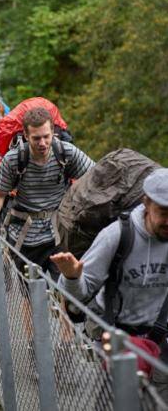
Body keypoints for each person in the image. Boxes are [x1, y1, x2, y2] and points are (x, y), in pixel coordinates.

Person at [51, 168, 168, 401]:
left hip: (161, 343)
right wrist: (72, 277)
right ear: (146, 203)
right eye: (164, 213)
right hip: (116, 340)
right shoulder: (117, 236)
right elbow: (77, 300)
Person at [0, 107, 95, 280]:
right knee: (29, 294)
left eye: (46, 136)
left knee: (62, 291)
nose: (43, 143)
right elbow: (0, 194)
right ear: (26, 134)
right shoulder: (14, 160)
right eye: (36, 138)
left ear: (53, 131)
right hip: (24, 237)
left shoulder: (66, 153)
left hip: (58, 235)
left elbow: (95, 178)